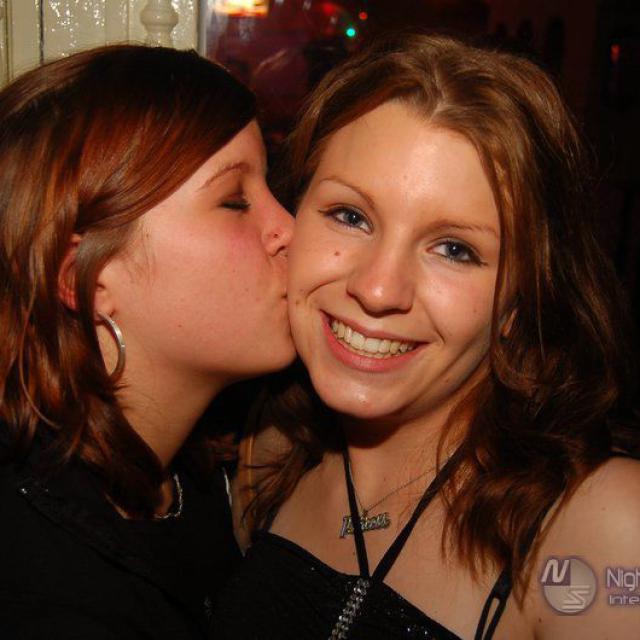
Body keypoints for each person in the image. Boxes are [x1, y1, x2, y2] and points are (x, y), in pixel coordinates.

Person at [214, 33, 640, 639]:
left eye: (454, 249)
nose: (378, 289)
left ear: (520, 301)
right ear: (292, 219)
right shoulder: (269, 450)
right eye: (350, 216)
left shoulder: (606, 531)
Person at [0, 45, 294, 639]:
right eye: (235, 201)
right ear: (85, 278)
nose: (289, 228)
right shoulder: (44, 592)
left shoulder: (198, 471)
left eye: (270, 186)